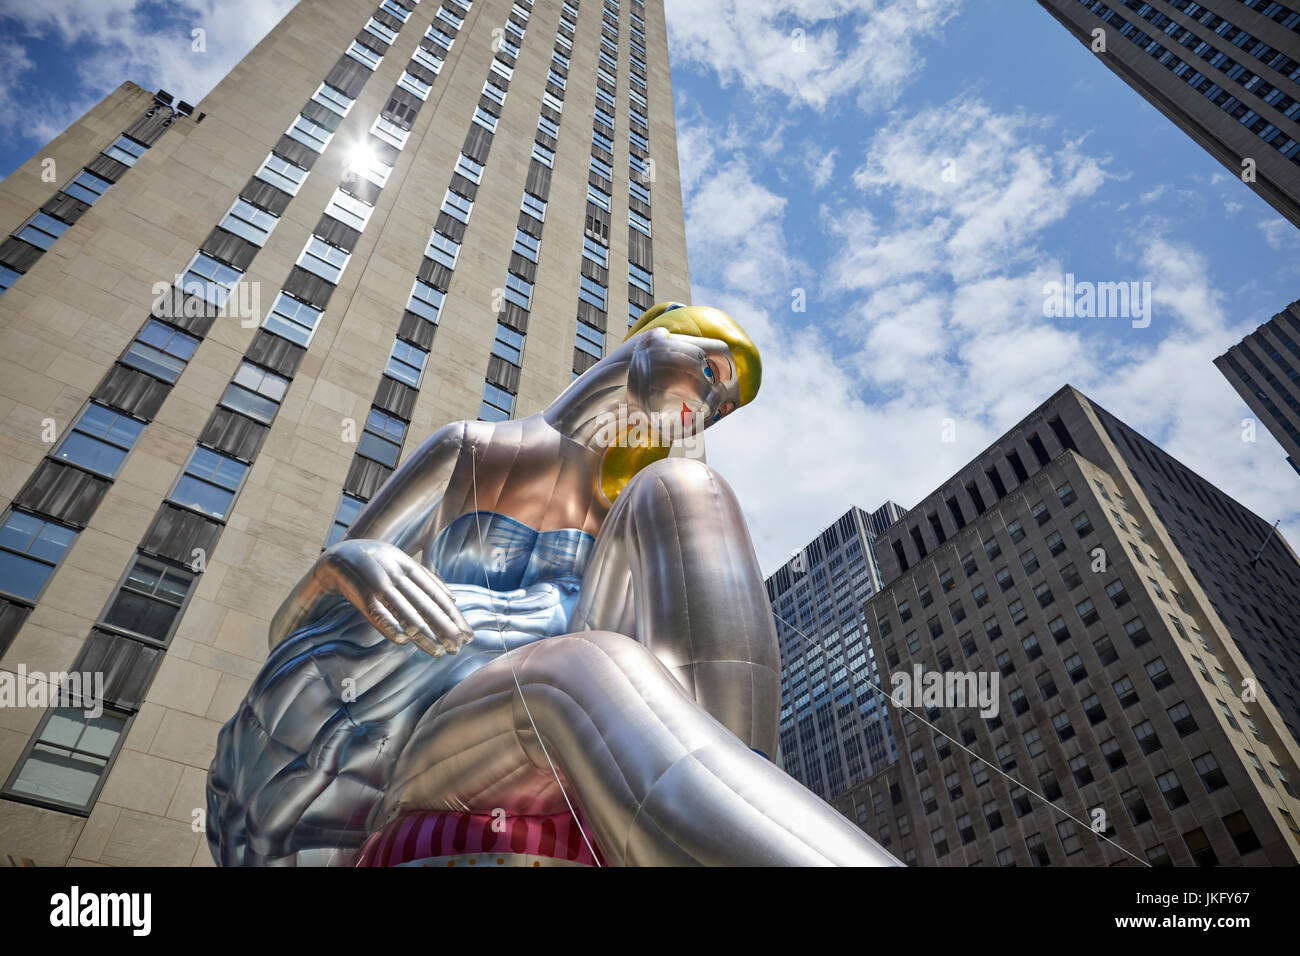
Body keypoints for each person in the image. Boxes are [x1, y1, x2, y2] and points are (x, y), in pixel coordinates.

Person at [207, 302, 898, 866]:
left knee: (686, 489)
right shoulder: (471, 451)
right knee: (573, 673)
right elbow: (284, 629)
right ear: (655, 337)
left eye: (722, 405)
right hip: (395, 749)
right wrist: (350, 562)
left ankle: (721, 816)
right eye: (710, 371)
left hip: (567, 745)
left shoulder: (629, 519)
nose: (711, 403)